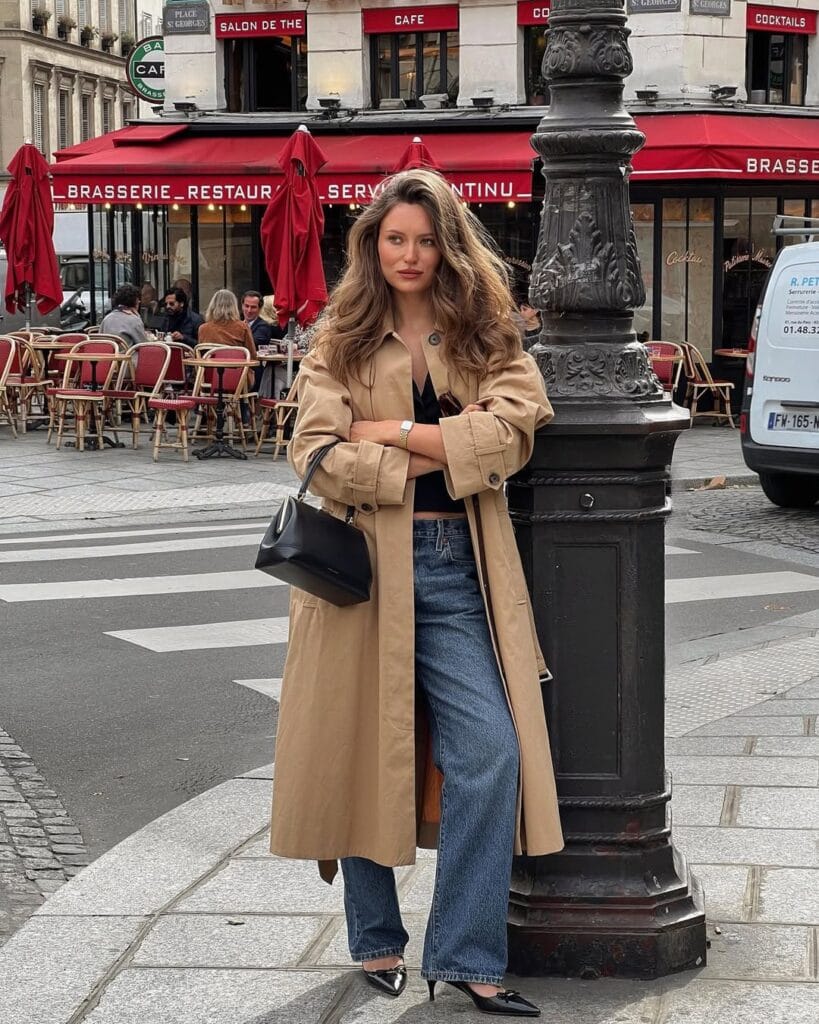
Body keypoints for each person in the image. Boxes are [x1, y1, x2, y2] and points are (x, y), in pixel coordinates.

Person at [270, 169, 562, 1018]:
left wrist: (389, 430)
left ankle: (464, 953)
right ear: (372, 245)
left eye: (426, 239)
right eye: (395, 238)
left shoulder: (482, 333)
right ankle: (375, 941)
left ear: (448, 246)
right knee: (362, 748)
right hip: (360, 571)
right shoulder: (342, 338)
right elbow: (316, 453)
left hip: (459, 571)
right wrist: (438, 451)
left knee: (490, 756)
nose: (410, 254)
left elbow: (512, 435)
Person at [198, 289, 257, 358]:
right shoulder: (242, 327)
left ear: (212, 306)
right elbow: (252, 355)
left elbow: (201, 356)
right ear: (234, 306)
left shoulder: (203, 329)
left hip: (210, 368)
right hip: (237, 368)